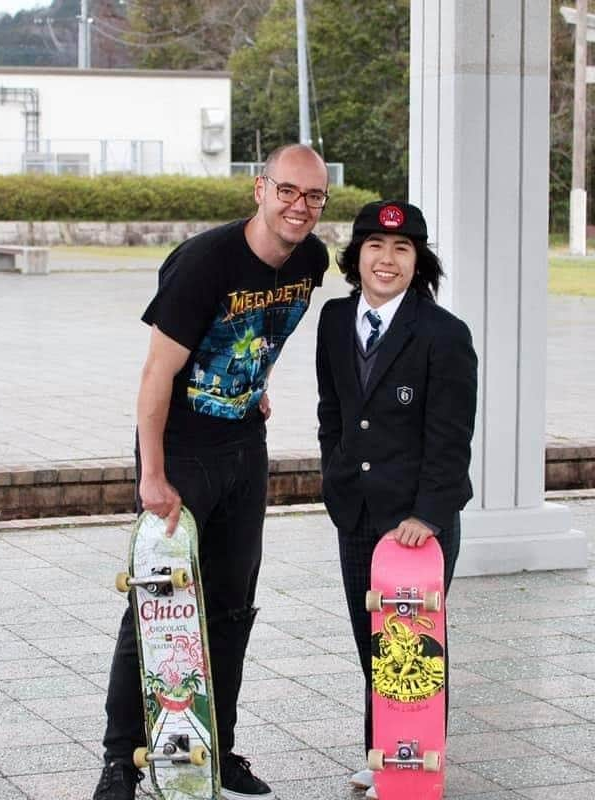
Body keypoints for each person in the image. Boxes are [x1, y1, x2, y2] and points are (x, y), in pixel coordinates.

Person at [93, 144, 330, 800]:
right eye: (287, 190)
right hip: (181, 452)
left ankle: (214, 749)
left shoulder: (312, 260)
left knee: (230, 608)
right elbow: (156, 373)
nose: (299, 206)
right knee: (158, 606)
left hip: (243, 451)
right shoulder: (204, 264)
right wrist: (152, 474)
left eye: (313, 197)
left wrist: (252, 384)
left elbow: (269, 330)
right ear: (259, 189)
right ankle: (121, 762)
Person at [315, 200, 477, 799]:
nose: (387, 260)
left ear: (419, 262)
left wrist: (429, 514)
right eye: (376, 248)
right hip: (356, 511)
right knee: (370, 636)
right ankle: (381, 751)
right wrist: (334, 474)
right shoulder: (334, 320)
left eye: (402, 250)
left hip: (416, 523)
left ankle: (415, 757)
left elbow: (451, 435)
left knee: (410, 644)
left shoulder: (443, 334)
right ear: (356, 256)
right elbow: (332, 410)